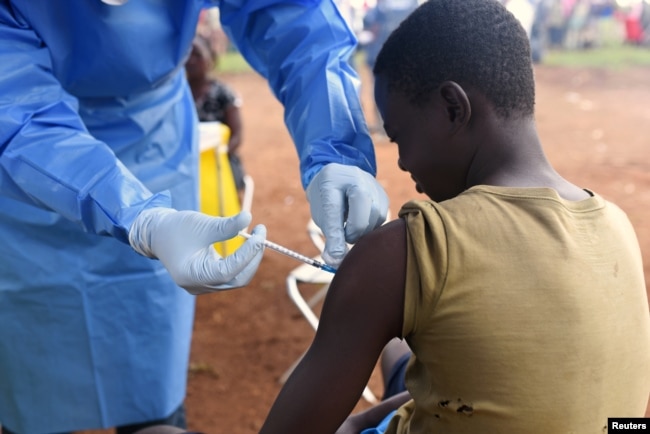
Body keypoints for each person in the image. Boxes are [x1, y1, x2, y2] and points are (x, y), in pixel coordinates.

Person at [257, 1, 650, 433]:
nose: (404, 162)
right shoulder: (615, 225)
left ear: (452, 107)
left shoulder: (413, 248)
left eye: (400, 136)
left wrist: (352, 427)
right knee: (394, 347)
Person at [0, 0, 388, 433]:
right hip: (32, 177)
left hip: (154, 143)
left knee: (147, 374)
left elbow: (294, 17)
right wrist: (140, 217)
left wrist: (335, 144)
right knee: (37, 376)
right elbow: (16, 118)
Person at [185, 34, 247, 193]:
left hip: (220, 163)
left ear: (210, 58)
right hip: (186, 165)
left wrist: (217, 156)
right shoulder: (178, 97)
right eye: (187, 55)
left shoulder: (223, 94)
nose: (191, 60)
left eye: (197, 55)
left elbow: (237, 136)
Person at [361, 0, 419, 135]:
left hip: (383, 54)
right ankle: (406, 127)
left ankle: (384, 129)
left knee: (382, 90)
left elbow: (370, 23)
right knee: (407, 89)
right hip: (405, 54)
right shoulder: (412, 4)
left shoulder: (381, 6)